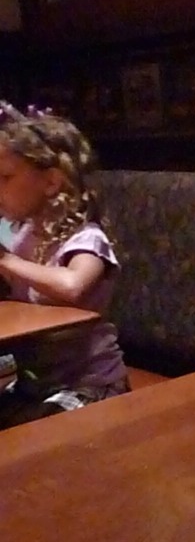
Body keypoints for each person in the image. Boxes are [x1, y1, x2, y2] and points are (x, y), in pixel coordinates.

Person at [0, 100, 129, 429]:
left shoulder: (87, 239)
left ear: (51, 182)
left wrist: (6, 260)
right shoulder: (25, 236)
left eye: (5, 178)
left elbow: (72, 286)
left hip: (90, 384)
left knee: (36, 437)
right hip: (34, 384)